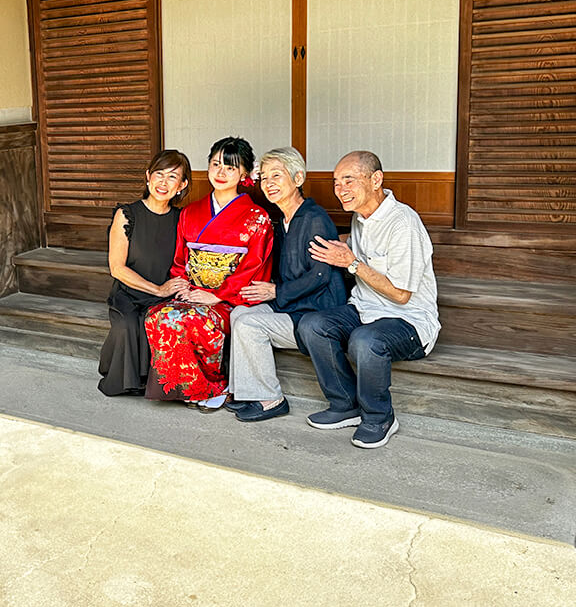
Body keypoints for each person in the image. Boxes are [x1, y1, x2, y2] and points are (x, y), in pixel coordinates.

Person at [299, 150, 439, 449]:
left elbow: (402, 295)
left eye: (349, 180)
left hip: (409, 321)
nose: (340, 190)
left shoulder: (403, 223)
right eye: (336, 183)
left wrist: (351, 263)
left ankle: (379, 417)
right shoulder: (361, 218)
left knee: (365, 340)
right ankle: (345, 404)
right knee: (312, 324)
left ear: (376, 180)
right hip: (364, 310)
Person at [144, 136, 273, 409]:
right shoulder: (191, 212)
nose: (221, 172)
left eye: (230, 167)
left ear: (245, 174)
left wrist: (217, 296)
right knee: (158, 316)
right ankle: (199, 386)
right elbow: (181, 260)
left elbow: (254, 267)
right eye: (215, 164)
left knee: (195, 321)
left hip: (227, 299)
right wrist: (184, 288)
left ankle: (215, 383)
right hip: (193, 292)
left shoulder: (257, 217)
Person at [227, 147, 347, 422]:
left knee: (249, 324)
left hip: (315, 314)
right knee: (239, 313)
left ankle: (271, 400)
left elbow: (321, 275)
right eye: (264, 177)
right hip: (293, 306)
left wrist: (275, 291)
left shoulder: (314, 218)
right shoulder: (282, 220)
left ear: (298, 178)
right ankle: (246, 392)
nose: (268, 184)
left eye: (276, 176)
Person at [97, 149, 191, 396]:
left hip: (165, 298)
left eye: (172, 177)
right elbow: (117, 268)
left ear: (182, 185)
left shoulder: (182, 220)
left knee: (167, 323)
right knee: (128, 324)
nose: (163, 182)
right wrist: (157, 289)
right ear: (148, 176)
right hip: (129, 294)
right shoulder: (127, 214)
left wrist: (176, 288)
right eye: (159, 174)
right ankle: (126, 378)